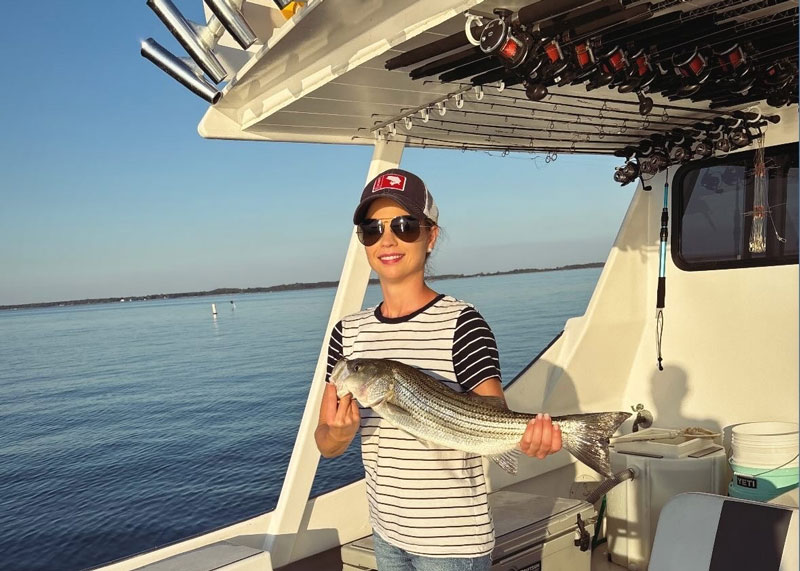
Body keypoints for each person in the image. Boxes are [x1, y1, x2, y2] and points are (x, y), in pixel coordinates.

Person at [314, 168, 562, 570]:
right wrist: (339, 434)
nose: (388, 239)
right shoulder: (348, 333)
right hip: (386, 532)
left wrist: (528, 438)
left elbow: (492, 414)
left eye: (404, 225)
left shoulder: (463, 322)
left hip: (454, 542)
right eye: (372, 229)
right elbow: (326, 443)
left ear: (430, 236)